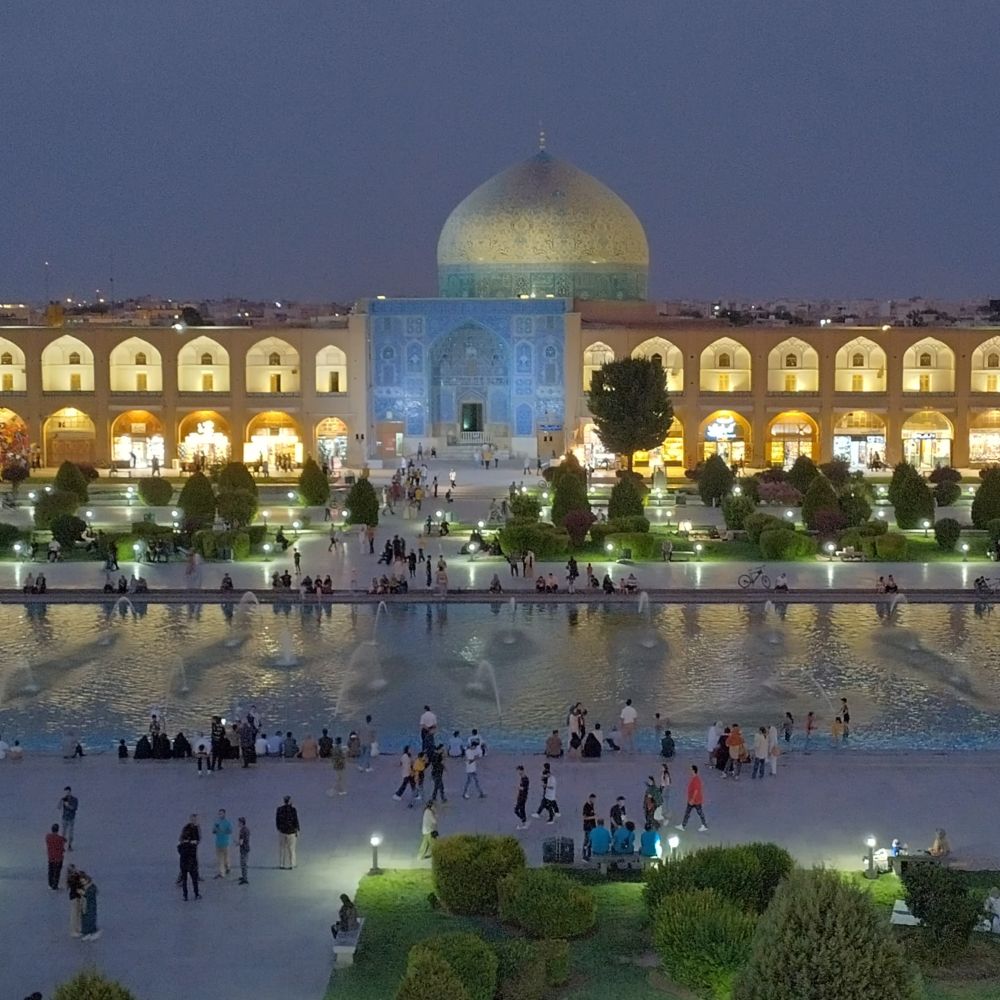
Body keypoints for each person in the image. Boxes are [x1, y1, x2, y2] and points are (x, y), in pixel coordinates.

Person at [675, 764, 708, 832]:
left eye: (691, 769)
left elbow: (696, 791)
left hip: (695, 801)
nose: (689, 771)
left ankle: (703, 825)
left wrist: (692, 800)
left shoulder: (696, 780)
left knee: (696, 812)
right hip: (694, 800)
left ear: (693, 771)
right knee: (693, 812)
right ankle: (684, 825)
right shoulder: (694, 779)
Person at [275, 795, 300, 869]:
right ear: (290, 801)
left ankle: (281, 864)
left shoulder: (279, 809)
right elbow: (296, 820)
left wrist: (279, 828)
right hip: (291, 832)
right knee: (291, 849)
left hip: (282, 832)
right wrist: (297, 830)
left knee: (282, 848)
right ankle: (292, 864)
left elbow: (277, 821)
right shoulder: (293, 810)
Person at [177, 827, 201, 901]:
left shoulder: (180, 846)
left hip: (183, 864)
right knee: (194, 880)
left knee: (184, 880)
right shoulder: (192, 846)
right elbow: (194, 854)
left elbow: (179, 850)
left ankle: (185, 895)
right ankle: (196, 894)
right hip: (192, 865)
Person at [212, 808, 233, 879]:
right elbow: (213, 831)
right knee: (220, 859)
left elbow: (230, 831)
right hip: (218, 843)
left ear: (224, 814)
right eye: (219, 814)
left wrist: (222, 830)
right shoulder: (216, 823)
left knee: (226, 859)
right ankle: (221, 873)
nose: (220, 815)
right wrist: (216, 829)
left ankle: (227, 868)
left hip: (225, 843)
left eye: (221, 813)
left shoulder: (227, 823)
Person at [46, 823, 67, 890]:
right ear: (58, 830)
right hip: (59, 858)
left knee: (51, 870)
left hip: (51, 857)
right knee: (57, 872)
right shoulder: (60, 839)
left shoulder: (48, 837)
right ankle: (55, 885)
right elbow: (64, 841)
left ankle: (50, 883)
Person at [80, 872, 100, 940]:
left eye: (83, 881)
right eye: (82, 882)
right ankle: (86, 932)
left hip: (90, 906)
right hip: (85, 906)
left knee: (90, 919)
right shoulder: (84, 887)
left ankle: (92, 931)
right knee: (85, 919)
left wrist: (84, 893)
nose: (83, 883)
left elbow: (90, 895)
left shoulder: (92, 887)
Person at [59, 786, 78, 850]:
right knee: (63, 832)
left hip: (71, 818)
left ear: (70, 792)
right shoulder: (64, 799)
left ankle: (69, 845)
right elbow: (59, 807)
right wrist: (61, 801)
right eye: (65, 792)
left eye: (68, 792)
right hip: (64, 818)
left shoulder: (74, 799)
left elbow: (74, 808)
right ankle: (62, 845)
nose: (67, 793)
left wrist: (68, 805)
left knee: (70, 833)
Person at [582, 793, 597, 859]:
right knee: (587, 841)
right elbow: (585, 817)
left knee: (590, 841)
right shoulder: (586, 806)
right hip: (588, 827)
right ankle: (584, 855)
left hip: (592, 826)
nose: (594, 800)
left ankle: (589, 855)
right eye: (593, 799)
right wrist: (593, 817)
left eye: (594, 799)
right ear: (590, 798)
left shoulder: (592, 805)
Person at [514, 764, 530, 829]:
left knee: (516, 810)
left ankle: (524, 821)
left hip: (523, 797)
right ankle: (524, 823)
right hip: (521, 796)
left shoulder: (525, 779)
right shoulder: (522, 778)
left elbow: (525, 788)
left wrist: (519, 787)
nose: (518, 773)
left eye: (519, 771)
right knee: (522, 810)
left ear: (522, 771)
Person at [237, 816, 250, 885]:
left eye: (239, 822)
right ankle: (244, 876)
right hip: (247, 848)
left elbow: (241, 842)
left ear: (241, 823)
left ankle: (245, 879)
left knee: (243, 864)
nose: (238, 824)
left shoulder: (242, 831)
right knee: (244, 863)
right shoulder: (247, 829)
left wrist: (237, 843)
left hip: (243, 849)